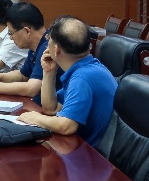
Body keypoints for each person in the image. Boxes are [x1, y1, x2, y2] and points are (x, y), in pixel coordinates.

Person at [17, 16, 117, 148]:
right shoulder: (84, 68)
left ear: (56, 49)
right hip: (80, 147)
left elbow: (67, 126)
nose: (46, 43)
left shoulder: (82, 77)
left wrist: (35, 118)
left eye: (48, 39)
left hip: (90, 154)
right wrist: (49, 72)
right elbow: (51, 109)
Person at [0, 1, 62, 102]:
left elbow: (32, 89)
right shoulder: (35, 46)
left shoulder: (47, 47)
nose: (11, 38)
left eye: (11, 33)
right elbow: (22, 75)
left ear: (27, 31)